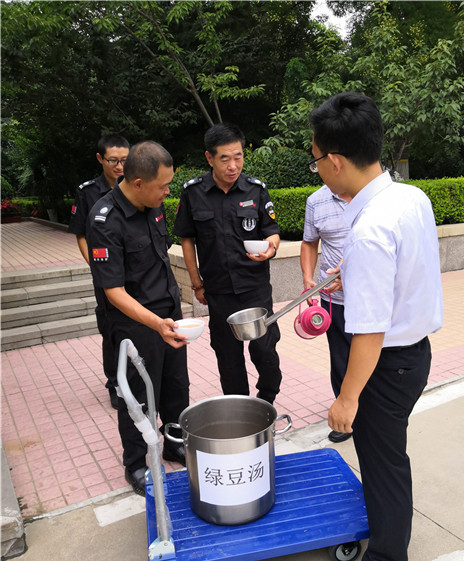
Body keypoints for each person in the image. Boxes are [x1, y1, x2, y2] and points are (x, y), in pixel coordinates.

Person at [308, 92, 443, 561]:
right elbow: (408, 266)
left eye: (316, 159)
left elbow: (369, 332)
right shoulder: (410, 197)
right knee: (389, 455)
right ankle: (388, 545)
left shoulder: (367, 230)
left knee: (383, 462)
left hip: (387, 365)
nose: (318, 169)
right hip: (415, 353)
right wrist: (361, 274)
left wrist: (346, 399)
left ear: (335, 160)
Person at [87, 141, 190, 496]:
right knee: (138, 396)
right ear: (138, 183)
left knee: (176, 387)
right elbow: (113, 291)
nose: (167, 192)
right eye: (163, 186)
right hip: (135, 325)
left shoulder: (153, 205)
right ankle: (135, 462)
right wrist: (155, 323)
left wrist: (172, 315)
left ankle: (174, 443)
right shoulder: (105, 220)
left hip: (168, 317)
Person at [173, 123, 282, 404]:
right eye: (225, 159)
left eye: (238, 157)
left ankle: (267, 398)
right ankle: (241, 407)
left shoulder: (255, 190)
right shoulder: (193, 192)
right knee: (228, 356)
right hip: (219, 291)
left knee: (265, 350)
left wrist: (270, 249)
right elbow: (187, 239)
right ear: (209, 158)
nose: (233, 166)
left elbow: (272, 231)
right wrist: (196, 282)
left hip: (255, 288)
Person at [68, 134, 130, 409]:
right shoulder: (88, 191)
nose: (120, 166)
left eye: (125, 160)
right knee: (111, 328)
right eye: (113, 160)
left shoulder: (136, 185)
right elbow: (81, 234)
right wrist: (96, 265)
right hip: (106, 275)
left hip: (134, 273)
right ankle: (115, 382)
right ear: (100, 159)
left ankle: (136, 376)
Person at [300, 183, 353, 444]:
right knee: (341, 357)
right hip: (334, 298)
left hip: (373, 298)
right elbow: (309, 242)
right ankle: (347, 418)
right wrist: (308, 279)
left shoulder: (374, 195)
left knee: (376, 357)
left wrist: (351, 269)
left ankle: (374, 413)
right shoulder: (316, 200)